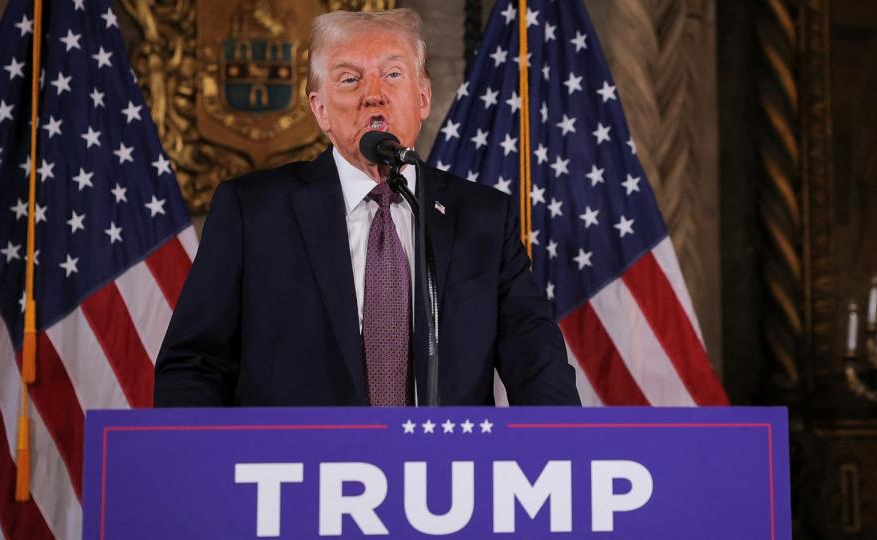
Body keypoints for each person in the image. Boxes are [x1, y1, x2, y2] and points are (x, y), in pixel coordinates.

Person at [154, 9, 581, 407]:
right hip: (294, 477)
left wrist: (566, 455)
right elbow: (194, 364)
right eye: (349, 80)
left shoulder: (483, 217)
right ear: (320, 109)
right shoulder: (253, 212)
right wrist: (204, 470)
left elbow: (535, 357)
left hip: (441, 476)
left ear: (424, 98)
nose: (373, 96)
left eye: (393, 74)